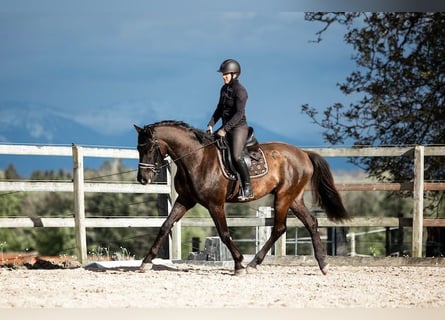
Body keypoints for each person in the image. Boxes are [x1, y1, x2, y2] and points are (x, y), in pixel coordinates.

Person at [206, 59, 254, 201]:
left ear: (235, 74)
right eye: (223, 74)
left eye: (225, 74)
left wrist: (224, 129)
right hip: (226, 127)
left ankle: (247, 188)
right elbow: (219, 109)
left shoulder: (241, 91)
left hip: (239, 127)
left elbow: (239, 114)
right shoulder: (224, 89)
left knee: (236, 156)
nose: (223, 76)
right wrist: (211, 124)